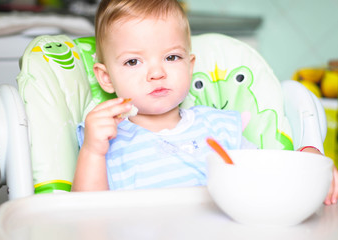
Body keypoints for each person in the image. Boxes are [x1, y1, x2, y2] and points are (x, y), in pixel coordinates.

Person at [72, 0, 338, 205]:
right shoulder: (105, 138)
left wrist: (308, 165)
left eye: (172, 58)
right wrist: (93, 152)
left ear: (190, 66)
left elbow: (267, 178)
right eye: (133, 61)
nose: (156, 73)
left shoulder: (221, 128)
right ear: (106, 78)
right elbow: (84, 216)